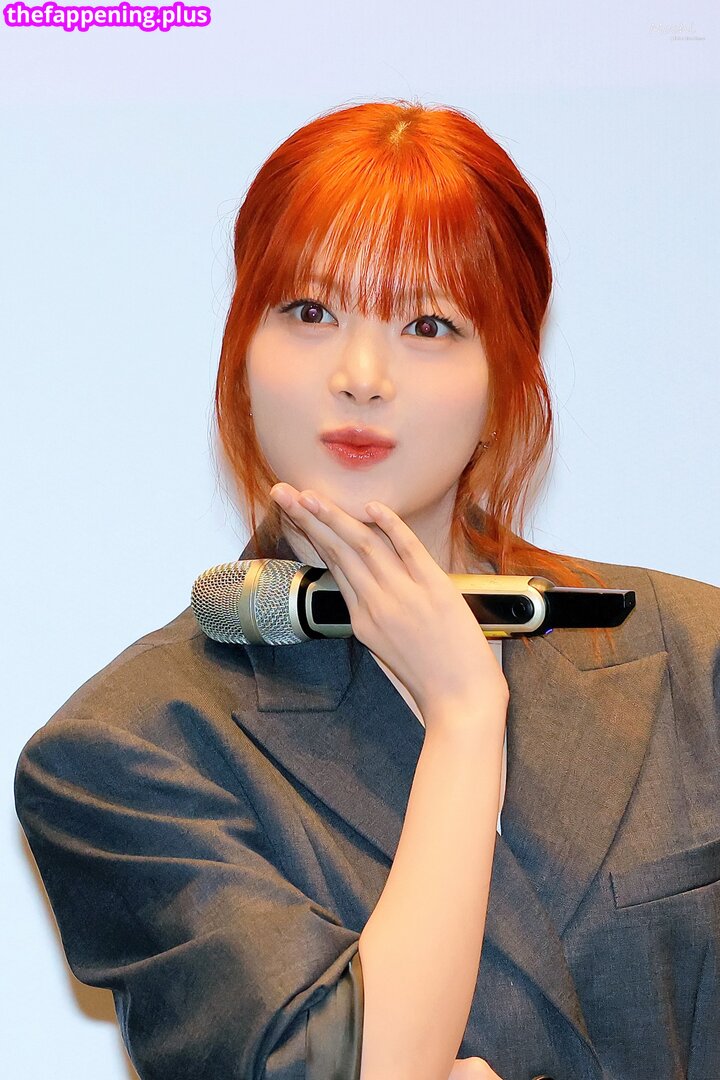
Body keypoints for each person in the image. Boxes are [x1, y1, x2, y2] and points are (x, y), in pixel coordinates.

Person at [14, 98, 720, 1080]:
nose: (360, 374)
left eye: (428, 324)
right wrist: (465, 718)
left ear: (507, 374)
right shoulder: (125, 752)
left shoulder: (694, 654)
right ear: (243, 350)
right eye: (309, 312)